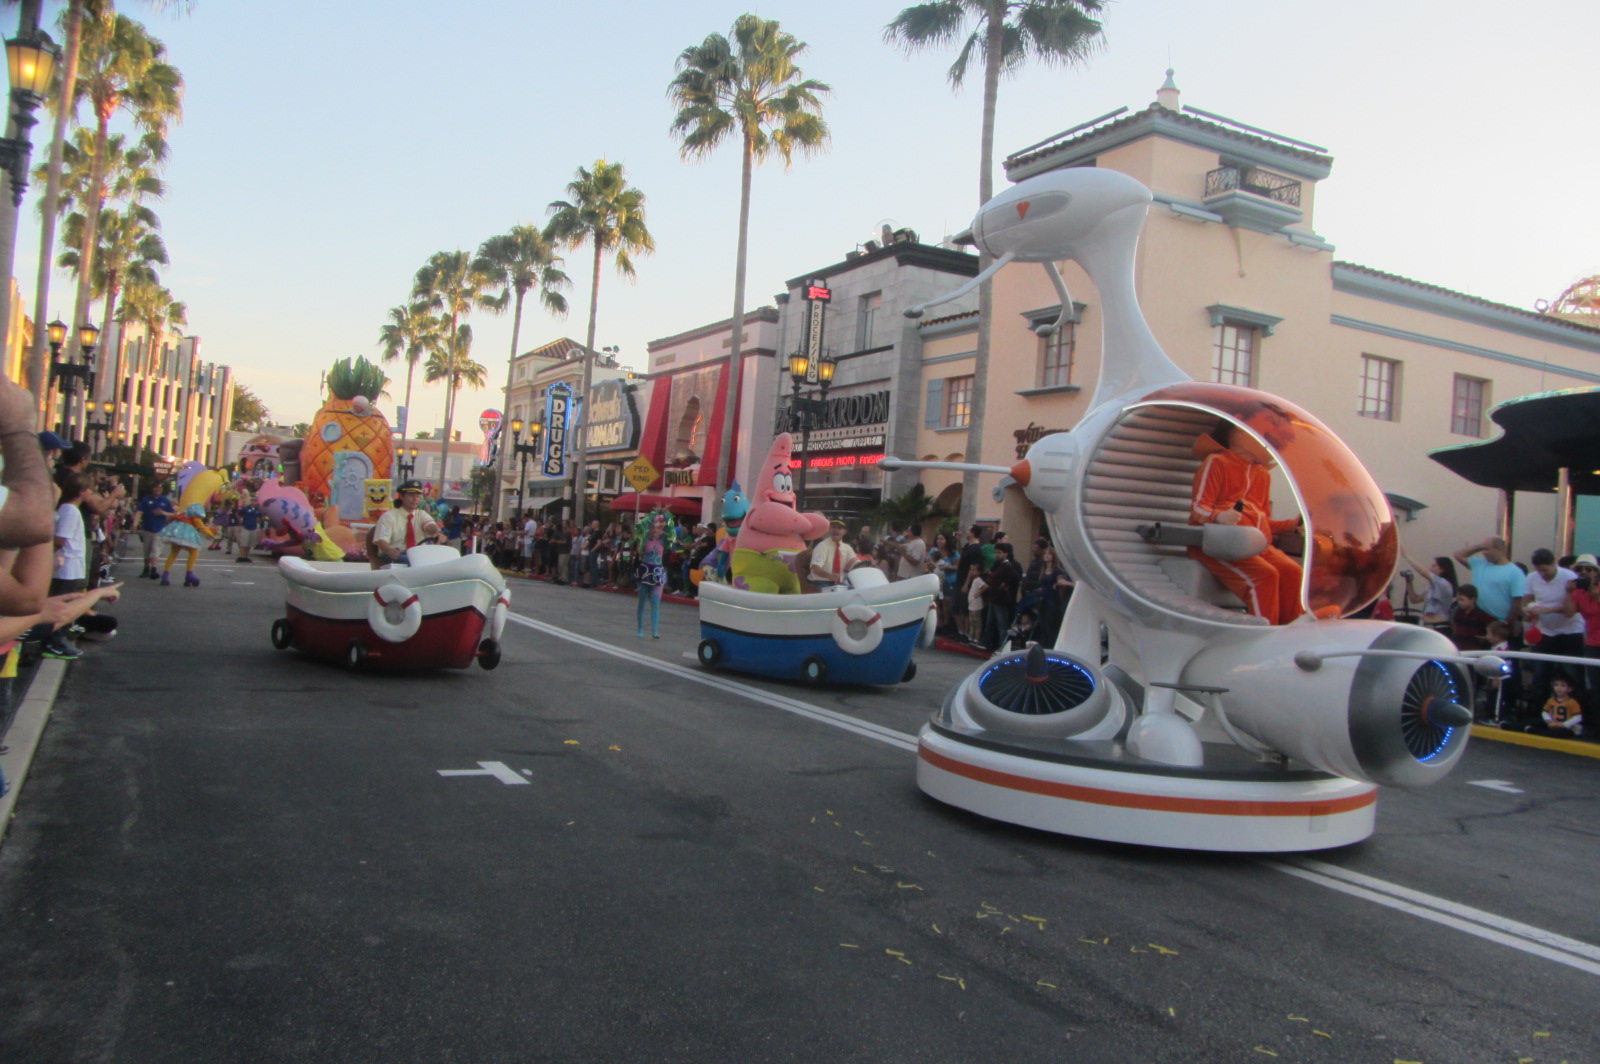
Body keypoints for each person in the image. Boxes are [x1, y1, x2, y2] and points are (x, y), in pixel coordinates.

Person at [1188, 421, 1304, 625]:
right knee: (1265, 575)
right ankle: (1265, 633)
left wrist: (1290, 525)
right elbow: (1198, 507)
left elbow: (1264, 521)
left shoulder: (1262, 475)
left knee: (1292, 571)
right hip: (1219, 544)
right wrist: (1217, 517)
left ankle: (1292, 629)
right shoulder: (1217, 462)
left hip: (1256, 546)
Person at [1521, 547, 1585, 713]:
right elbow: (1526, 600)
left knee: (1571, 672)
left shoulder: (1568, 577)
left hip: (1570, 630)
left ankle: (1576, 712)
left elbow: (1573, 608)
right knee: (1540, 672)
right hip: (1545, 630)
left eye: (1546, 569)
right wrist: (1528, 611)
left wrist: (1548, 609)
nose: (1543, 573)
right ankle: (1540, 710)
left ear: (1553, 563)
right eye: (1539, 570)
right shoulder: (1531, 578)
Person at [1452, 536, 1526, 624]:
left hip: (1499, 622)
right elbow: (1458, 555)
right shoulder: (1479, 564)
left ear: (1499, 550)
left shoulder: (1515, 572)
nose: (1483, 553)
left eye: (1486, 549)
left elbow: (1517, 602)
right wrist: (1480, 546)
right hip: (1477, 620)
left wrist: (1507, 623)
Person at [633, 509, 682, 639]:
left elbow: (671, 528)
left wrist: (665, 513)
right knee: (642, 601)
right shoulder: (645, 539)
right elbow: (643, 525)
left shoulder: (663, 540)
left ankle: (655, 630)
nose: (655, 531)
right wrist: (654, 513)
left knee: (655, 602)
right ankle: (640, 629)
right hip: (646, 571)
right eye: (653, 528)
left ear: (661, 530)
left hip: (658, 572)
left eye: (658, 528)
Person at [371, 480, 441, 566]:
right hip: (395, 555)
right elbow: (382, 540)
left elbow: (429, 526)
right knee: (416, 562)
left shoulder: (422, 514)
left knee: (437, 560)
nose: (415, 499)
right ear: (401, 496)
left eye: (418, 496)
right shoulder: (389, 517)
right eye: (411, 495)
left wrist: (436, 531)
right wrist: (390, 550)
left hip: (418, 554)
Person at [1565, 554, 1600, 699]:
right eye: (1580, 569)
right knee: (1595, 684)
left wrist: (1597, 597)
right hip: (1592, 643)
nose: (1584, 572)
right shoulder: (1578, 593)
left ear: (1596, 572)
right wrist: (1568, 593)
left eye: (1589, 569)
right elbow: (1569, 613)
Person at [158, 503, 218, 587]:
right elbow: (201, 526)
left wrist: (163, 513)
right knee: (194, 552)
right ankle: (189, 574)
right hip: (186, 535)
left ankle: (165, 575)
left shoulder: (184, 512)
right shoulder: (195, 514)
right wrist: (212, 535)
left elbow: (173, 515)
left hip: (176, 534)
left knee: (173, 554)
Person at [982, 541, 1022, 651]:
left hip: (1001, 600)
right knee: (990, 623)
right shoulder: (999, 565)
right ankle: (987, 643)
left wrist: (1005, 585)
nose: (997, 555)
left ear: (1006, 554)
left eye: (999, 553)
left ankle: (1002, 647)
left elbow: (1015, 578)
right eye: (996, 552)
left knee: (1002, 625)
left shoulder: (1008, 566)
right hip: (994, 598)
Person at [1401, 551, 1458, 628]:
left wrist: (1406, 555)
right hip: (1427, 625)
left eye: (1434, 566)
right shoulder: (1432, 587)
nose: (1430, 568)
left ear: (1442, 569)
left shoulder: (1444, 584)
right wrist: (1409, 581)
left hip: (1439, 626)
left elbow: (1423, 572)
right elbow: (1415, 599)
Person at [135, 484, 176, 580]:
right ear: (152, 488)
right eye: (156, 487)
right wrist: (135, 524)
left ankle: (154, 569)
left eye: (160, 488)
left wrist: (163, 513)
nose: (158, 489)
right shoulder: (146, 500)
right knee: (147, 550)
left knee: (155, 550)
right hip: (147, 528)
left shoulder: (165, 500)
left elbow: (173, 514)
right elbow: (139, 512)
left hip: (159, 529)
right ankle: (146, 568)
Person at [808, 520, 857, 589]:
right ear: (830, 529)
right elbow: (815, 568)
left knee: (854, 590)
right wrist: (829, 576)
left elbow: (855, 563)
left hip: (838, 584)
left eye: (839, 528)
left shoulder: (847, 548)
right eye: (834, 527)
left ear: (845, 532)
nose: (836, 530)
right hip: (820, 582)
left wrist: (867, 565)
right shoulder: (822, 546)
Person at [1449, 584, 1495, 651]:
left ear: (1472, 599)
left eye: (1462, 600)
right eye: (1458, 600)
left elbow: (1494, 626)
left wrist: (1485, 638)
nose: (1459, 603)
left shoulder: (1481, 615)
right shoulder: (1458, 613)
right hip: (1460, 647)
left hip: (1475, 649)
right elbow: (1455, 627)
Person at [236, 493, 261, 563]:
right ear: (251, 501)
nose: (254, 502)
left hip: (253, 527)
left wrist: (258, 521)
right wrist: (240, 520)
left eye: (255, 500)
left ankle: (246, 556)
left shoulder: (257, 509)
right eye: (253, 500)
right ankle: (241, 556)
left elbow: (260, 516)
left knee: (249, 543)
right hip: (246, 526)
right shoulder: (246, 508)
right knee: (244, 543)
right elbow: (238, 513)